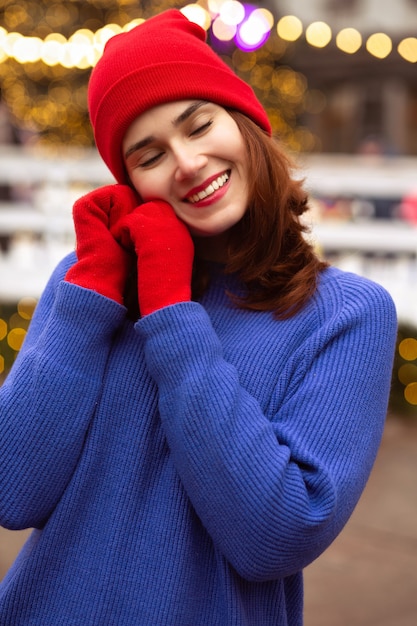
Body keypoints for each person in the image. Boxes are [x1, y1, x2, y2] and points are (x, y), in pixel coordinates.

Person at [0, 9, 397, 625]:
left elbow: (278, 536)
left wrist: (171, 312)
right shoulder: (88, 290)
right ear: (129, 181)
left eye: (199, 125)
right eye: (148, 155)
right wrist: (89, 304)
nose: (186, 163)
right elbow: (12, 489)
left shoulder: (345, 317)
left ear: (245, 125)